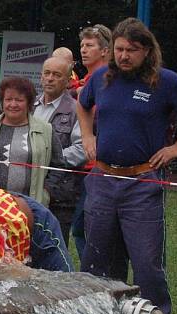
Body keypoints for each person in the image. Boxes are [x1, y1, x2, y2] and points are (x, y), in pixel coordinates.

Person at [77, 18, 177, 314]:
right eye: (120, 49)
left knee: (146, 261)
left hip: (143, 183)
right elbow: (82, 105)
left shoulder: (166, 81)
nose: (124, 56)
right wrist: (87, 135)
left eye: (132, 50)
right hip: (102, 180)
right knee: (96, 259)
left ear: (147, 51)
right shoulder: (101, 78)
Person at [0, 77, 64, 207]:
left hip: (29, 207)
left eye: (19, 100)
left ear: (29, 103)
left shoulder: (46, 130)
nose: (13, 104)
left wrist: (45, 192)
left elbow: (58, 165)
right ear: (2, 101)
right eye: (8, 99)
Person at [33, 56, 85, 246]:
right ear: (40, 77)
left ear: (67, 81)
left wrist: (50, 160)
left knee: (53, 250)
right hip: (28, 189)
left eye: (56, 75)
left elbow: (82, 149)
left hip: (60, 195)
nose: (50, 78)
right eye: (47, 73)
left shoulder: (76, 110)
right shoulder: (29, 107)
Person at [70, 24, 112, 260]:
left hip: (101, 166)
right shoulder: (84, 82)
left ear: (106, 50)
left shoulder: (110, 81)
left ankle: (97, 275)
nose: (84, 50)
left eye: (90, 46)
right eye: (82, 46)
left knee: (86, 227)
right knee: (79, 226)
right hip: (80, 165)